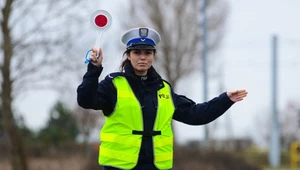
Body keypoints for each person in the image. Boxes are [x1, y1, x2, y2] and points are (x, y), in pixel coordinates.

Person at [77, 27, 248, 170]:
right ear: (128, 55)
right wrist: (94, 69)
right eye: (137, 52)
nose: (142, 57)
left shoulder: (163, 88)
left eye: (148, 52)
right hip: (119, 167)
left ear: (154, 56)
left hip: (156, 166)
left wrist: (225, 99)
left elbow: (197, 115)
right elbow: (85, 100)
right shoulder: (113, 85)